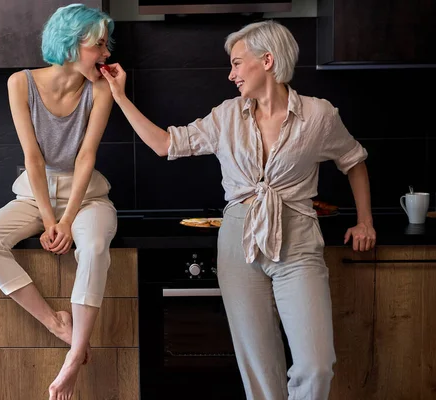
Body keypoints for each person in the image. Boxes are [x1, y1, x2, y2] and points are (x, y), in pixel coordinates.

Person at [102, 19, 376, 400]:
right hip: (238, 238)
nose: (230, 75)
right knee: (260, 371)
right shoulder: (226, 115)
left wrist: (366, 222)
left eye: (236, 63)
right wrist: (120, 96)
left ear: (267, 60)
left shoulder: (319, 116)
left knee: (316, 366)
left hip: (297, 239)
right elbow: (166, 145)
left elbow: (354, 160)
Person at [0, 4, 116, 399]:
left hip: (86, 199)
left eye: (105, 44)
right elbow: (32, 157)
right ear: (70, 44)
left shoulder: (101, 88)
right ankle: (55, 324)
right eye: (97, 45)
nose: (105, 53)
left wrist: (67, 222)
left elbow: (86, 157)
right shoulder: (21, 83)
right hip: (34, 195)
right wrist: (50, 219)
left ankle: (74, 357)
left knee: (96, 245)